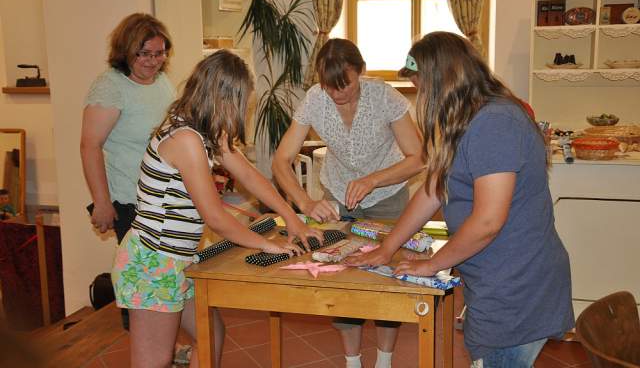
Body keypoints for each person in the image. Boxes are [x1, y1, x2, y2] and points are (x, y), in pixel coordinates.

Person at [348, 31, 574, 367]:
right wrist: (387, 248)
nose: (422, 98)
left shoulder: (494, 123)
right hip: (497, 282)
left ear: (444, 82)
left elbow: (487, 221)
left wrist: (432, 264)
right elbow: (432, 190)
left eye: (423, 88)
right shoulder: (467, 120)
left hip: (517, 286)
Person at [111, 49, 322, 368]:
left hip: (176, 260)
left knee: (211, 334)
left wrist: (291, 218)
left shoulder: (204, 131)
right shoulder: (185, 139)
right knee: (154, 360)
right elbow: (215, 217)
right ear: (223, 99)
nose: (241, 113)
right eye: (241, 104)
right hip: (153, 263)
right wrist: (267, 244)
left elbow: (249, 175)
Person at [272, 38, 424, 368]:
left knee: (386, 279)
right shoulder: (315, 99)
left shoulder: (384, 96)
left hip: (387, 197)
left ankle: (383, 361)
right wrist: (305, 202)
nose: (338, 93)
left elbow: (418, 157)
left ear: (361, 71)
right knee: (340, 279)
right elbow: (281, 160)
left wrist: (374, 180)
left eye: (346, 84)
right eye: (330, 86)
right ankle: (352, 362)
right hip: (338, 196)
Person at [80, 13, 176, 330]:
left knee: (165, 282)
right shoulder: (110, 87)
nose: (153, 61)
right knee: (141, 286)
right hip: (130, 201)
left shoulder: (162, 81)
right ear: (125, 51)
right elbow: (90, 146)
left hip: (163, 198)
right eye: (144, 54)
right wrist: (102, 202)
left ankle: (166, 345)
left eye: (160, 53)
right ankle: (146, 347)